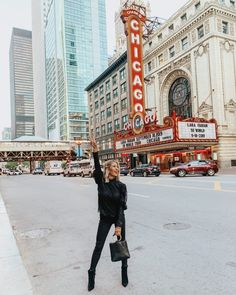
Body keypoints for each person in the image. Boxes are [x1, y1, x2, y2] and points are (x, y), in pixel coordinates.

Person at [88, 137, 128, 291]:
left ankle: (124, 271)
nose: (117, 168)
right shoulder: (101, 183)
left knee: (122, 245)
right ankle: (91, 274)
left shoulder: (121, 186)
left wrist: (118, 226)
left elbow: (121, 208)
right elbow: (97, 169)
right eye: (114, 166)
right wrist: (96, 152)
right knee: (98, 246)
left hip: (118, 218)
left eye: (118, 166)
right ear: (108, 169)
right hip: (104, 219)